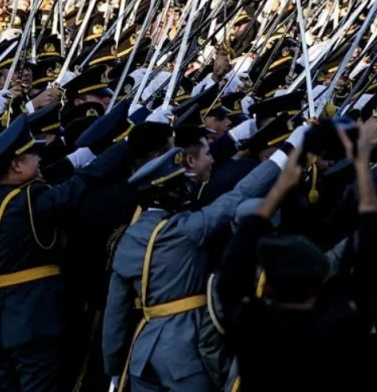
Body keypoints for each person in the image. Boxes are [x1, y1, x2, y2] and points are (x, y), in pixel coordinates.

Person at [101, 134, 287, 391]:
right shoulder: (187, 228)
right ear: (164, 193)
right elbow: (240, 193)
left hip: (142, 353)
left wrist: (113, 366)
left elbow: (116, 312)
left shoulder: (129, 237)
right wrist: (286, 152)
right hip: (185, 353)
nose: (187, 190)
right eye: (179, 186)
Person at [216, 117, 377, 391]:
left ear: (268, 285)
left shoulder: (251, 325)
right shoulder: (341, 322)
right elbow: (371, 260)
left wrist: (282, 185)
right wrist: (362, 163)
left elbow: (237, 258)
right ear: (319, 284)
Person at [0, 114, 127, 392]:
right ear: (15, 165)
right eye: (31, 156)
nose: (39, 159)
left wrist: (80, 155)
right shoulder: (30, 202)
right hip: (35, 317)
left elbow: (43, 183)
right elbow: (80, 184)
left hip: (0, 320)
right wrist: (128, 143)